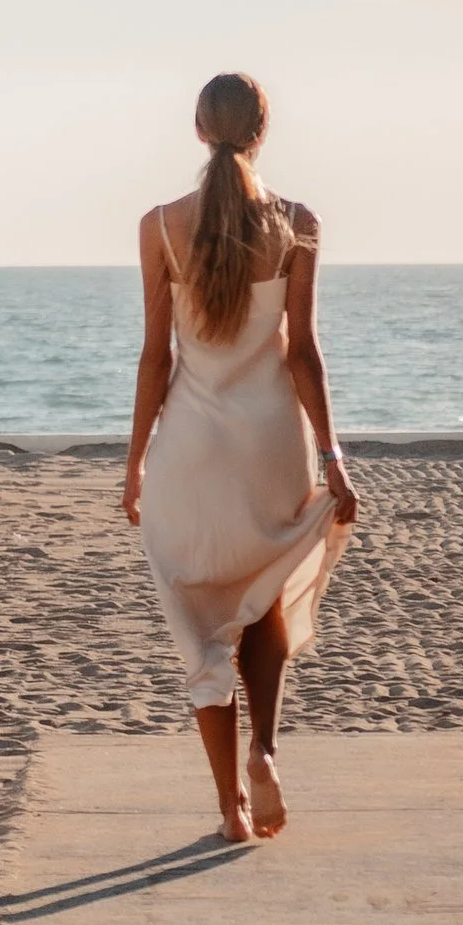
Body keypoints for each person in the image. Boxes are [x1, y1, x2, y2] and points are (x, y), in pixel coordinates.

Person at [123, 73, 358, 844]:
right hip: (272, 445)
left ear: (198, 130)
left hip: (191, 449)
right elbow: (304, 356)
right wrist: (333, 458)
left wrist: (134, 468)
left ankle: (229, 806)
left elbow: (155, 361)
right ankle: (264, 748)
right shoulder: (297, 223)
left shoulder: (161, 227)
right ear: (264, 130)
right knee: (262, 597)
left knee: (200, 621)